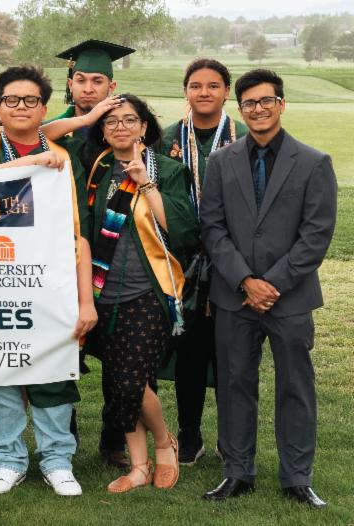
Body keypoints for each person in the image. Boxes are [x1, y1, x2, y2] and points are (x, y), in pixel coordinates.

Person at [0, 65, 97, 497]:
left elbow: (79, 232)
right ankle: (8, 459)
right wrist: (34, 162)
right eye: (11, 100)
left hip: (49, 282)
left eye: (31, 100)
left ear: (44, 109)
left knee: (53, 372)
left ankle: (57, 460)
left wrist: (86, 301)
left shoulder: (65, 158)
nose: (21, 107)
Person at [200, 69, 336, 509]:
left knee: (295, 386)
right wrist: (245, 280)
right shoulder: (221, 162)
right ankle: (237, 472)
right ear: (240, 109)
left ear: (281, 104)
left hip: (290, 298)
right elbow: (212, 227)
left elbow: (316, 234)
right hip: (233, 295)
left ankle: (297, 477)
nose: (258, 109)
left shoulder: (314, 162)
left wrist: (271, 284)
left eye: (266, 101)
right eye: (249, 103)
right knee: (235, 383)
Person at [81, 94, 198, 493]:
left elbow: (181, 231)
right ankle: (138, 466)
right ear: (102, 129)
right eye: (111, 122)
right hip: (103, 290)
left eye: (129, 120)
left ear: (144, 126)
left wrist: (145, 182)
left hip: (150, 290)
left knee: (130, 382)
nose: (120, 128)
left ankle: (164, 444)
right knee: (121, 381)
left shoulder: (167, 169)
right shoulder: (98, 170)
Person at [48, 39, 137, 469]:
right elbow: (35, 135)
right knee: (67, 351)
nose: (88, 88)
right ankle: (64, 438)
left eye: (97, 81)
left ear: (111, 85)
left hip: (116, 253)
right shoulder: (62, 125)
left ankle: (114, 438)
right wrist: (85, 119)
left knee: (120, 354)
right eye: (80, 79)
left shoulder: (123, 126)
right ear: (70, 83)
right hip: (66, 250)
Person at [158, 58, 248, 466]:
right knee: (190, 351)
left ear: (226, 91)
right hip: (183, 262)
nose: (204, 92)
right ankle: (189, 433)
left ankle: (231, 438)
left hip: (234, 261)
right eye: (196, 85)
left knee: (232, 354)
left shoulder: (245, 135)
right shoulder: (167, 139)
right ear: (186, 91)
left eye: (213, 85)